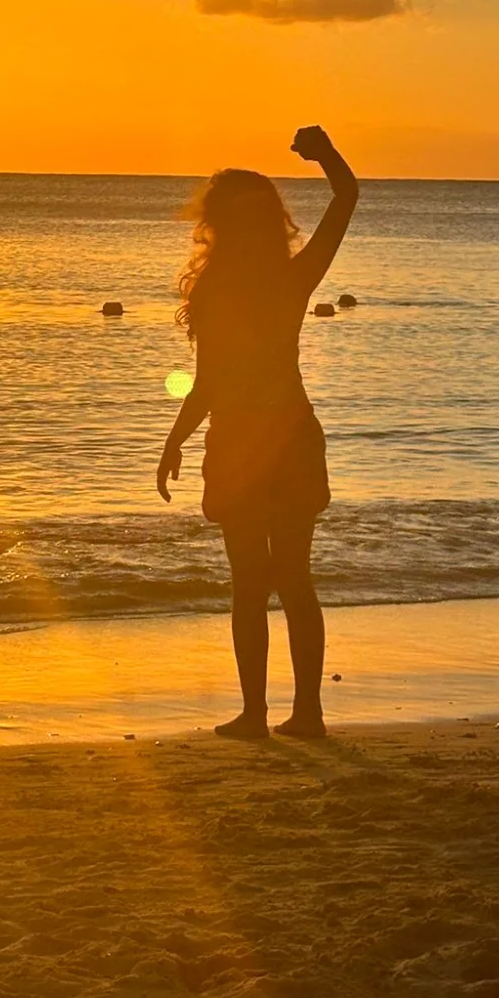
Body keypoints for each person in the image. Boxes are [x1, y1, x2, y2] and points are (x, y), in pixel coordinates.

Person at [156, 126, 358, 739]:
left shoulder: (222, 291)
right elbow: (346, 197)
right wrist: (326, 155)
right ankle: (305, 714)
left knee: (252, 584)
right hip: (289, 438)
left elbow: (208, 383)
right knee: (292, 579)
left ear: (217, 225)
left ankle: (257, 715)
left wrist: (176, 440)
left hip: (246, 445)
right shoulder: (289, 280)